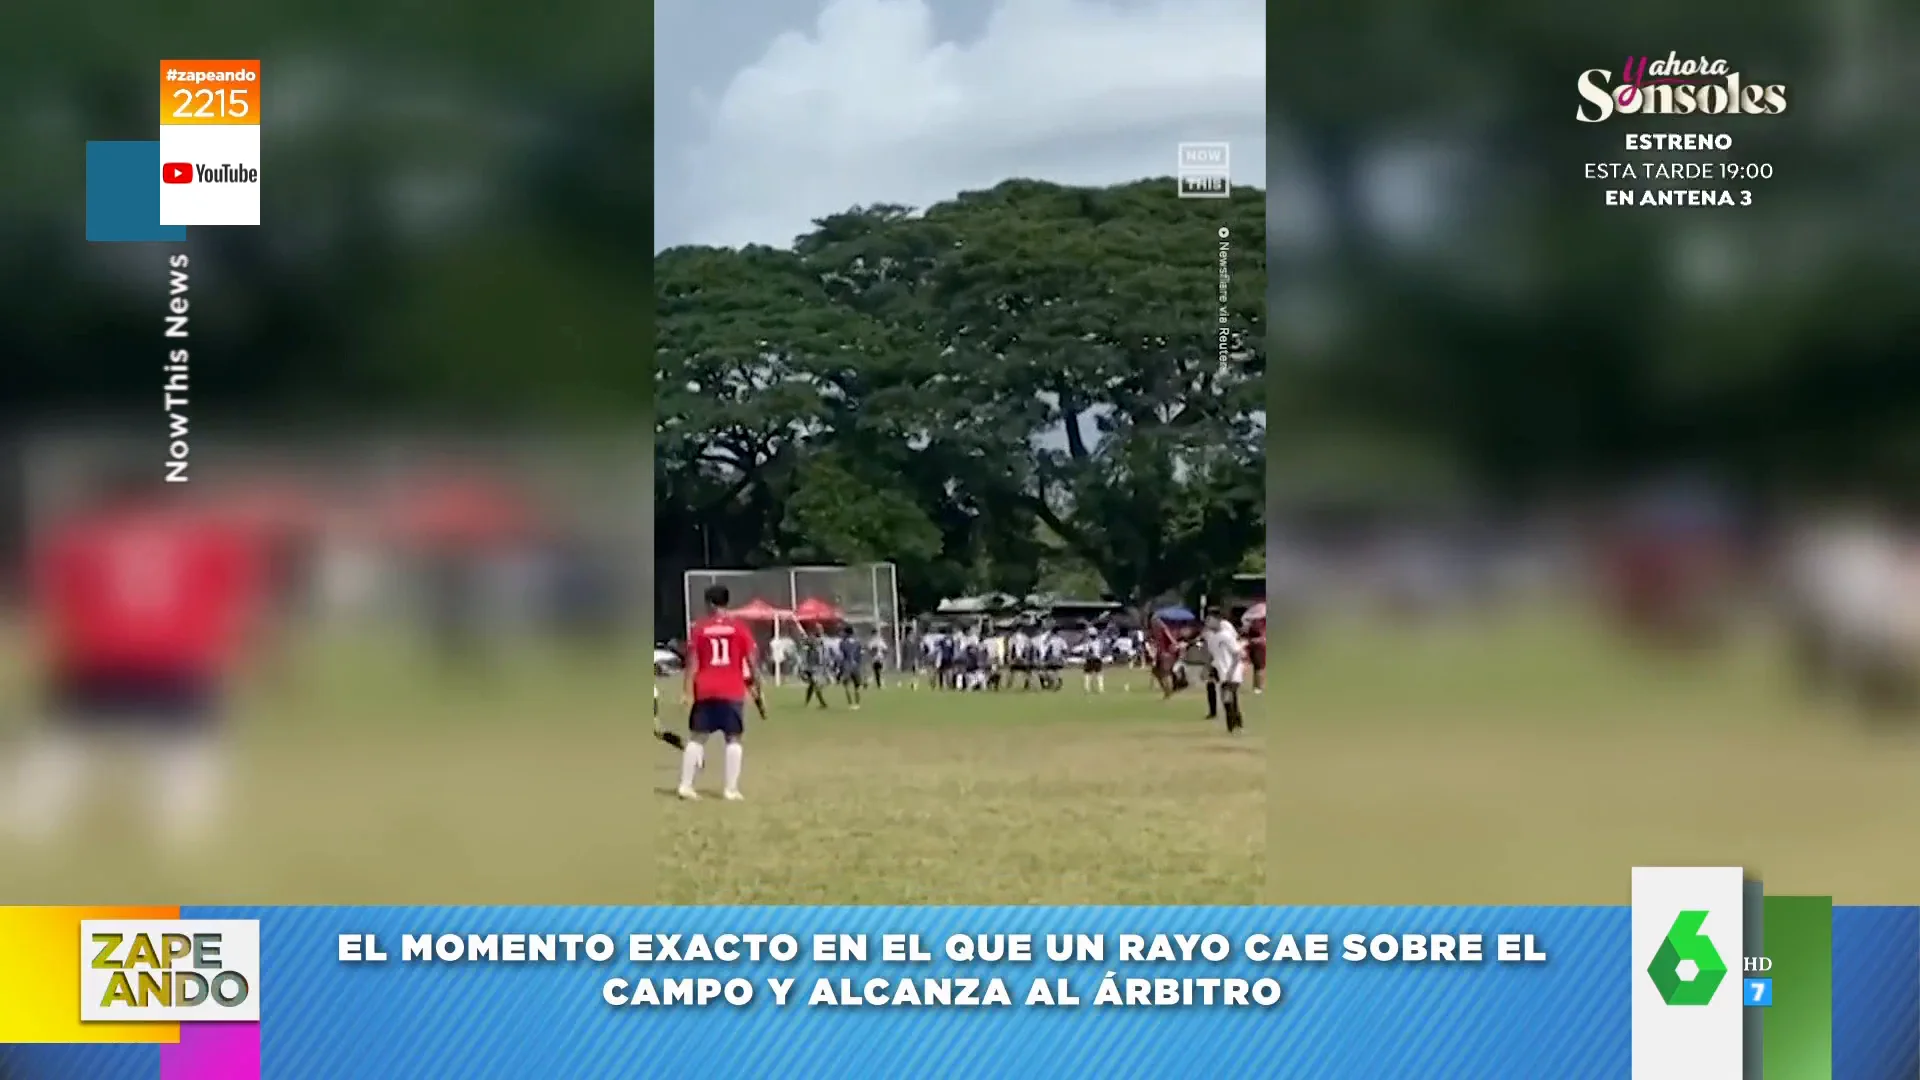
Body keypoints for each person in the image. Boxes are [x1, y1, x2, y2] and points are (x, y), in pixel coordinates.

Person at [9, 475, 263, 849]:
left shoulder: (83, 538)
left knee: (65, 745)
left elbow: (49, 598)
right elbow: (237, 601)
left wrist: (46, 648)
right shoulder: (208, 540)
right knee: (187, 748)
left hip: (99, 653)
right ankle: (184, 835)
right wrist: (236, 651)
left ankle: (26, 825)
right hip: (177, 654)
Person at [679, 584, 758, 800]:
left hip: (705, 689)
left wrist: (687, 691)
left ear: (710, 604)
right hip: (731, 689)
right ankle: (730, 789)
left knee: (697, 738)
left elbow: (692, 663)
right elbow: (752, 660)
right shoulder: (739, 628)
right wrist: (757, 687)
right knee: (734, 738)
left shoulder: (700, 629)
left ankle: (686, 785)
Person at [1202, 608, 1246, 732]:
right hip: (1222, 672)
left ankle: (1232, 727)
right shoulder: (1212, 638)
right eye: (1206, 620)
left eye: (1209, 620)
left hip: (1232, 673)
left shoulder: (1226, 636)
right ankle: (1237, 725)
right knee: (1230, 700)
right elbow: (1212, 655)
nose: (1207, 623)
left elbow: (1237, 654)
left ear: (1218, 621)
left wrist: (1232, 671)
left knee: (1227, 698)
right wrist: (1207, 668)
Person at [836, 626, 864, 709]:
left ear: (846, 633)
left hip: (847, 665)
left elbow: (842, 655)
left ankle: (851, 704)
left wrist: (839, 668)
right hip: (856, 665)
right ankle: (857, 704)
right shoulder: (857, 642)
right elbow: (860, 655)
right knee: (857, 685)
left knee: (846, 685)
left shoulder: (842, 642)